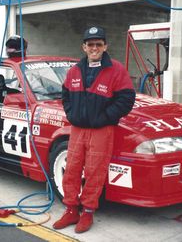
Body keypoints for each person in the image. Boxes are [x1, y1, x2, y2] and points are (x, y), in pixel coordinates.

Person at [53, 26, 136, 233]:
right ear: (84, 47)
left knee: (94, 172)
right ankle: (71, 209)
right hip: (78, 129)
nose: (94, 48)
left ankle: (88, 212)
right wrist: (72, 115)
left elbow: (126, 99)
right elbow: (65, 95)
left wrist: (106, 118)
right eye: (90, 44)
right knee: (71, 169)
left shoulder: (116, 69)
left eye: (99, 44)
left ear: (105, 46)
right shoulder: (74, 70)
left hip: (102, 130)